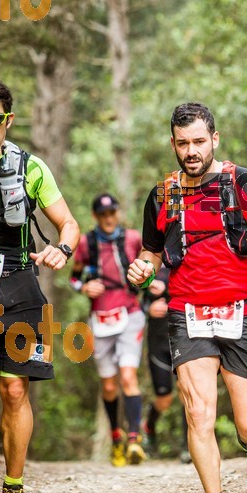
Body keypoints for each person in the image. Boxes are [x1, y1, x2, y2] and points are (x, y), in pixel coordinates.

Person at [128, 102, 247, 493]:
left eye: (199, 141)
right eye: (183, 144)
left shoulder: (244, 182)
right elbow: (151, 251)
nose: (191, 151)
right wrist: (142, 268)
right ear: (173, 145)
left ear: (214, 139)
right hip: (188, 313)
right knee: (198, 413)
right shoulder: (161, 195)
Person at [0, 76, 80, 493]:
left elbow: (69, 223)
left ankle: (13, 488)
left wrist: (62, 248)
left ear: (8, 120)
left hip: (19, 284)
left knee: (16, 389)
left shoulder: (29, 168)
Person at [71, 194, 146, 466]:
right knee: (110, 385)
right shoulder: (84, 243)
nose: (108, 218)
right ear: (95, 216)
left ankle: (135, 440)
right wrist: (84, 287)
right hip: (100, 317)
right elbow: (73, 277)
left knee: (128, 376)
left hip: (130, 311)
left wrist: (153, 287)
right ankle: (117, 437)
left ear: (118, 212)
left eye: (112, 212)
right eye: (103, 214)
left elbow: (151, 267)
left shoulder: (133, 239)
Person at [142, 266, 190, 463]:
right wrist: (149, 309)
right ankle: (149, 428)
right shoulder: (149, 265)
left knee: (186, 392)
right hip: (158, 343)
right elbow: (137, 301)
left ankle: (188, 446)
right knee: (164, 399)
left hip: (186, 339)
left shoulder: (188, 264)